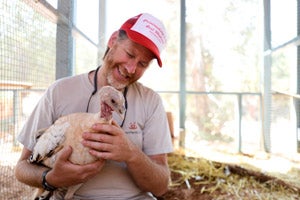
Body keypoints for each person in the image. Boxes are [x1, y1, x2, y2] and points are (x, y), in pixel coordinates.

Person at [15, 13, 173, 200]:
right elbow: (22, 168)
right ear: (113, 40)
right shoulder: (60, 91)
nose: (131, 68)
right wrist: (51, 179)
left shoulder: (150, 101)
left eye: (142, 64)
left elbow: (161, 186)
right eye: (130, 54)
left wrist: (131, 154)